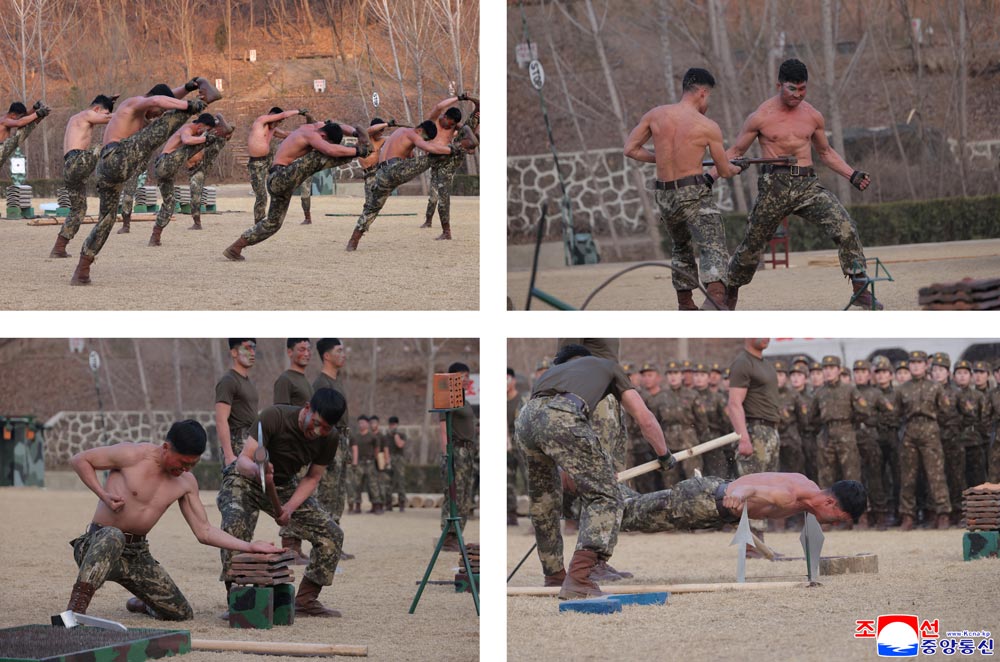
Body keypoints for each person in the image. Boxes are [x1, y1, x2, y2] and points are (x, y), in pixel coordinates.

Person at [64, 420, 281, 620]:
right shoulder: (133, 455)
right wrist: (103, 495)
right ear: (166, 448)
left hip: (136, 554)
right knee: (114, 535)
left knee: (181, 613)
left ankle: (144, 602)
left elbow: (204, 530)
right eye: (183, 462)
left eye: (192, 465)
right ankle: (74, 613)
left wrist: (250, 546)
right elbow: (80, 460)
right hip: (97, 545)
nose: (185, 469)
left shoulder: (186, 482)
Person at [713, 58, 882, 310]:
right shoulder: (760, 117)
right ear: (779, 84)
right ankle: (729, 293)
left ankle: (860, 289)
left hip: (807, 185)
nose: (798, 94)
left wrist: (852, 174)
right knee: (752, 245)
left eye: (803, 89)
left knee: (845, 226)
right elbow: (736, 151)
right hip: (775, 186)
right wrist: (710, 176)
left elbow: (825, 153)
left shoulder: (813, 115)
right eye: (792, 89)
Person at [514, 344, 675, 600]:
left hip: (525, 421)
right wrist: (665, 455)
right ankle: (579, 578)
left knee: (544, 503)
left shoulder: (551, 375)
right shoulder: (606, 366)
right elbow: (644, 418)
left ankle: (553, 575)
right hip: (562, 417)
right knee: (606, 496)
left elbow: (544, 423)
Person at [70, 78, 221, 285]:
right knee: (164, 125)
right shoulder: (132, 104)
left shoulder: (146, 112)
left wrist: (186, 88)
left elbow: (164, 99)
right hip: (115, 157)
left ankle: (82, 269)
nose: (157, 115)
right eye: (158, 110)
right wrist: (190, 105)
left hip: (110, 172)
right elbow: (157, 99)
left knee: (106, 220)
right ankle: (204, 102)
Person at [217, 388, 347, 618]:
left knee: (331, 533)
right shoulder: (273, 417)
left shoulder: (330, 438)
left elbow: (312, 477)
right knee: (234, 528)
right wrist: (258, 471)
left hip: (285, 485)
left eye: (325, 428)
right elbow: (243, 461)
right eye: (315, 422)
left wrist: (289, 508)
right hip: (245, 479)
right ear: (307, 408)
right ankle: (238, 601)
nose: (317, 431)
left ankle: (306, 600)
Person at [624, 68, 740, 310]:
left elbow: (631, 149)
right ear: (702, 93)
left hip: (664, 195)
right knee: (712, 243)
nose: (708, 102)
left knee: (681, 246)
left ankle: (685, 303)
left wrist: (664, 159)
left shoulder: (655, 115)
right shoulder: (707, 126)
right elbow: (724, 170)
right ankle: (715, 300)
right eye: (709, 97)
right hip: (693, 192)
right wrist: (736, 168)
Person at [224, 120, 369, 260]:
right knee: (321, 156)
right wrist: (358, 150)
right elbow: (329, 149)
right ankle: (362, 150)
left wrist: (356, 133)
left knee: (273, 224)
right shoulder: (310, 135)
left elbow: (339, 126)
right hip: (280, 177)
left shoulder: (317, 127)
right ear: (324, 136)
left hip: (282, 182)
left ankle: (235, 248)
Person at [345, 118, 467, 251]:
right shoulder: (413, 134)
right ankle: (460, 148)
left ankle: (353, 241)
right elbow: (428, 147)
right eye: (424, 137)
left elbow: (409, 155)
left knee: (371, 209)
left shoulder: (399, 133)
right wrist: (451, 150)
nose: (422, 140)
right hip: (394, 170)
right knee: (434, 157)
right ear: (420, 130)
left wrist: (414, 158)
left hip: (380, 175)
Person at [619, 472, 866, 533]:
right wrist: (737, 496)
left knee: (630, 507)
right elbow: (753, 488)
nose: (833, 524)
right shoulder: (789, 495)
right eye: (837, 519)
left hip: (708, 497)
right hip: (702, 501)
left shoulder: (807, 486)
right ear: (830, 502)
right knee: (625, 515)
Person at [726, 338, 781, 547]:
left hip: (770, 431)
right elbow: (734, 404)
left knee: (766, 488)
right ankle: (749, 544)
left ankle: (759, 543)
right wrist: (744, 437)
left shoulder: (765, 363)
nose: (766, 336)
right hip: (754, 431)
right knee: (752, 487)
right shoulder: (743, 362)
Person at [888, 351, 952, 530]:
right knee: (908, 476)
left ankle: (943, 513)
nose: (915, 366)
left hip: (930, 431)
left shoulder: (936, 387)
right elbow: (895, 413)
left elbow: (946, 413)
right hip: (910, 432)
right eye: (912, 362)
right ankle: (907, 515)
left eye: (919, 362)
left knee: (936, 475)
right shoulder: (902, 389)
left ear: (926, 365)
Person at [306, 338, 355, 559]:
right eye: (339, 350)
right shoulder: (321, 384)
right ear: (327, 355)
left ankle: (334, 540)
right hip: (330, 437)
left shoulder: (338, 380)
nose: (343, 354)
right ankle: (323, 541)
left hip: (342, 437)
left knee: (338, 493)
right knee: (326, 491)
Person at [49, 95, 115, 258]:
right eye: (104, 112)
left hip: (69, 166)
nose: (106, 115)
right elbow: (107, 119)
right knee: (108, 145)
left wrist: (109, 101)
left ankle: (59, 247)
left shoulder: (75, 118)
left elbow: (103, 115)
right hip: (79, 160)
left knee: (78, 210)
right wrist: (129, 111)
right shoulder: (86, 114)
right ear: (97, 109)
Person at [148, 113, 220, 246]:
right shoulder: (186, 129)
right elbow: (187, 141)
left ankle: (155, 236)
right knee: (195, 144)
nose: (204, 132)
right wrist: (207, 139)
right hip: (165, 163)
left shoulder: (196, 132)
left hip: (165, 171)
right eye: (205, 129)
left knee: (169, 204)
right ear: (200, 125)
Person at [807, 357, 870, 502]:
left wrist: (851, 422)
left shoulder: (849, 389)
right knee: (826, 476)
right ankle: (828, 513)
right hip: (826, 435)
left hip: (846, 433)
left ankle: (857, 514)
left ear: (838, 370)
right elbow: (810, 417)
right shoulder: (819, 392)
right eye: (826, 368)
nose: (828, 372)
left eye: (832, 368)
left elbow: (865, 411)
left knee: (851, 475)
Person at [422, 94, 480, 240]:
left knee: (442, 196)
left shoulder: (456, 126)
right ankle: (431, 221)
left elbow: (470, 126)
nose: (450, 126)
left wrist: (472, 100)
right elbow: (439, 107)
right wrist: (459, 97)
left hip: (450, 157)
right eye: (449, 122)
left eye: (453, 124)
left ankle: (446, 231)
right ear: (444, 117)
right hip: (435, 159)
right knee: (435, 196)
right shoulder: (433, 121)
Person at [245, 107, 312, 226]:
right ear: (272, 115)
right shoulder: (261, 121)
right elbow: (283, 115)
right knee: (261, 195)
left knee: (276, 188)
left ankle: (273, 217)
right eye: (277, 121)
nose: (278, 124)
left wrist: (305, 133)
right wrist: (298, 111)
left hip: (267, 161)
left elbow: (287, 134)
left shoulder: (273, 129)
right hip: (256, 163)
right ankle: (259, 222)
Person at [648, 359, 709, 486]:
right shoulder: (659, 398)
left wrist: (699, 440)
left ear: (682, 375)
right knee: (670, 483)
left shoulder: (692, 395)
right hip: (668, 446)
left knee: (695, 480)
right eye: (670, 374)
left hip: (690, 443)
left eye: (676, 373)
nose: (673, 377)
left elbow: (702, 421)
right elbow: (654, 422)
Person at [439, 362, 478, 550]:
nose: (466, 380)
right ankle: (449, 536)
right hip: (456, 450)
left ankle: (458, 534)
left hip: (468, 452)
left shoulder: (464, 399)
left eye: (467, 376)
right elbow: (442, 427)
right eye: (462, 376)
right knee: (454, 493)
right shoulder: (448, 397)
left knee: (464, 494)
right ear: (452, 378)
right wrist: (447, 454)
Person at [184, 113, 235, 229]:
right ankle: (226, 132)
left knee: (195, 195)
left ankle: (197, 223)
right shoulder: (197, 134)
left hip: (198, 168)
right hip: (202, 163)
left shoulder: (201, 134)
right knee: (218, 141)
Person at [214, 339, 259, 467]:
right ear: (234, 352)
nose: (252, 353)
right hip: (237, 444)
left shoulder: (249, 382)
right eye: (247, 348)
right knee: (235, 485)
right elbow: (221, 420)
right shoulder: (228, 381)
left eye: (254, 348)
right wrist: (229, 455)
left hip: (252, 442)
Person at [0, 100, 50, 170]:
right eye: (19, 116)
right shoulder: (4, 121)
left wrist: (34, 108)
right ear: (13, 115)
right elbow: (19, 122)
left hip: (3, 150)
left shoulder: (9, 118)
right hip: (1, 149)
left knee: (22, 130)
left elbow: (24, 118)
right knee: (21, 133)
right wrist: (37, 114)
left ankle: (40, 117)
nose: (21, 118)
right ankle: (40, 117)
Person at [507, 368, 528, 526]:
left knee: (530, 477)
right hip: (506, 444)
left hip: (522, 444)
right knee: (507, 480)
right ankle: (511, 514)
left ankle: (535, 515)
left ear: (513, 381)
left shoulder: (523, 400)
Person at [351, 415, 382, 514]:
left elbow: (377, 449)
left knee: (373, 485)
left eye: (363, 423)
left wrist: (375, 459)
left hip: (370, 463)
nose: (361, 425)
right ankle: (357, 506)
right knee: (357, 484)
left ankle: (376, 506)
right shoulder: (355, 436)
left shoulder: (372, 436)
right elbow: (353, 449)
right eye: (359, 423)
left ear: (367, 424)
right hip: (359, 462)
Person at [273, 339, 314, 407]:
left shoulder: (306, 381)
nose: (306, 354)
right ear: (290, 352)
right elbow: (280, 414)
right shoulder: (285, 380)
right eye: (302, 350)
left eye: (308, 350)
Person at [386, 416, 408, 512]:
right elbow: (385, 448)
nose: (392, 426)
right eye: (391, 425)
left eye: (394, 424)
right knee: (388, 482)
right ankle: (388, 503)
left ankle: (402, 503)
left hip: (399, 459)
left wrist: (396, 436)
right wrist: (387, 460)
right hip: (389, 458)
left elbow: (400, 444)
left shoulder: (402, 435)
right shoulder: (386, 436)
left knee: (400, 481)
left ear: (397, 425)